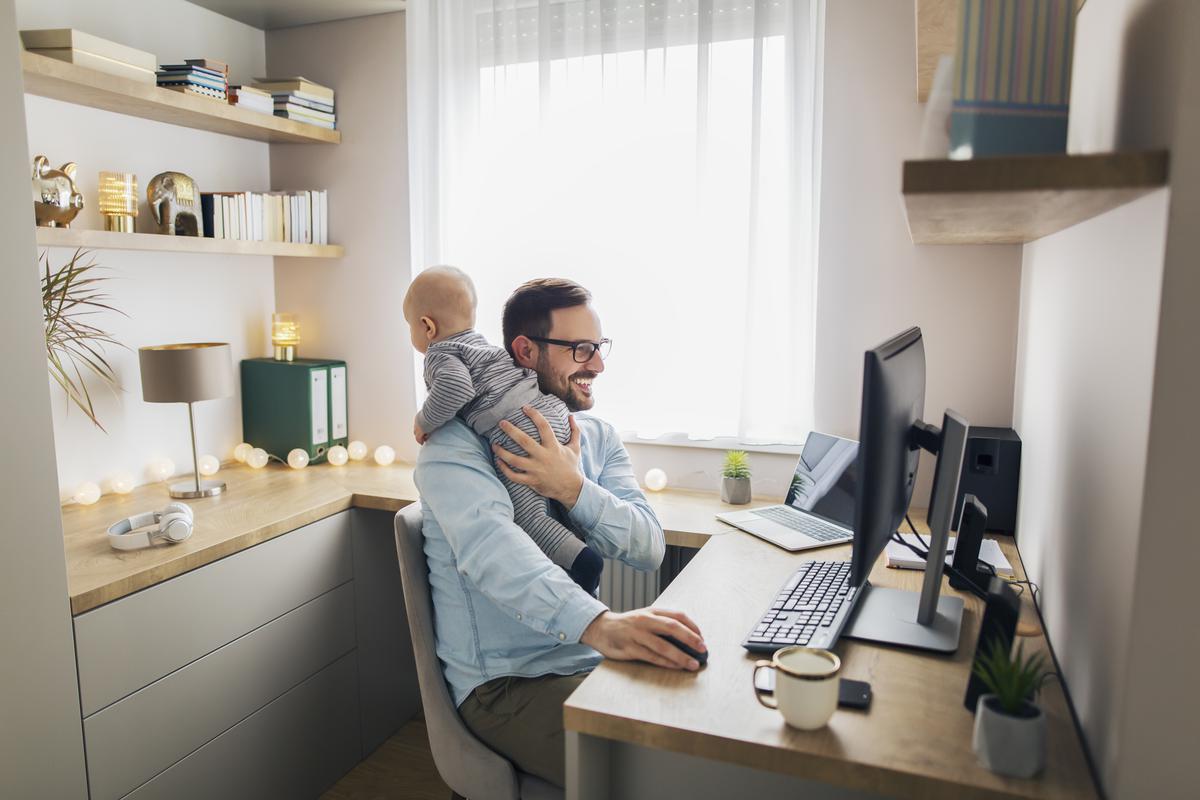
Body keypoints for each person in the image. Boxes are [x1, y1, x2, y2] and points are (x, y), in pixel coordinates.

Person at [414, 277, 706, 788]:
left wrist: (573, 489)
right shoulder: (453, 448)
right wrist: (601, 625)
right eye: (580, 350)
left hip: (589, 659)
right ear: (525, 351)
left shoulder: (598, 438)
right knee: (667, 773)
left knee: (713, 730)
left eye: (599, 348)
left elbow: (648, 547)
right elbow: (494, 554)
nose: (597, 365)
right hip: (506, 687)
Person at [404, 266, 603, 593]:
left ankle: (583, 563)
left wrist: (424, 420)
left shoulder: (442, 353)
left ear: (426, 326)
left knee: (528, 515)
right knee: (557, 498)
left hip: (520, 427)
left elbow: (456, 389)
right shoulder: (481, 346)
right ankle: (577, 542)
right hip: (549, 411)